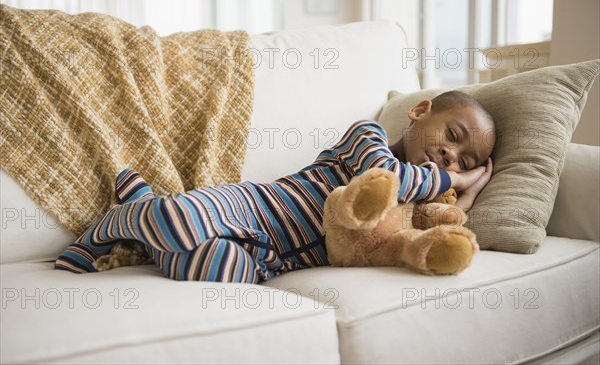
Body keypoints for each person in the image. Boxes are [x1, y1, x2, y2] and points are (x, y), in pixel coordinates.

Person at [55, 90, 495, 284]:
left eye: (465, 160)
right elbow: (390, 175)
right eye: (452, 137)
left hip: (273, 260)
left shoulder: (417, 200)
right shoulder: (369, 136)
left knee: (208, 269)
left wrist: (466, 194)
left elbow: (439, 221)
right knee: (182, 219)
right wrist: (457, 178)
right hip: (258, 206)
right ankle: (113, 223)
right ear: (419, 111)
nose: (449, 157)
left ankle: (145, 214)